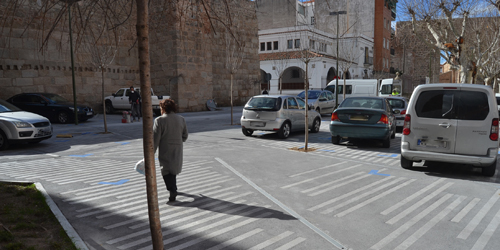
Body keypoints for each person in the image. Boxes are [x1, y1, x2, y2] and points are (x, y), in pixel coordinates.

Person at [153, 99, 188, 202]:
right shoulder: (181, 119)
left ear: (163, 108)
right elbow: (185, 136)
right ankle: (174, 188)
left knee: (166, 171)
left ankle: (172, 190)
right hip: (177, 148)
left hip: (165, 150)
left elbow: (155, 139)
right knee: (173, 169)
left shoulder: (159, 120)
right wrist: (177, 140)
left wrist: (151, 153)